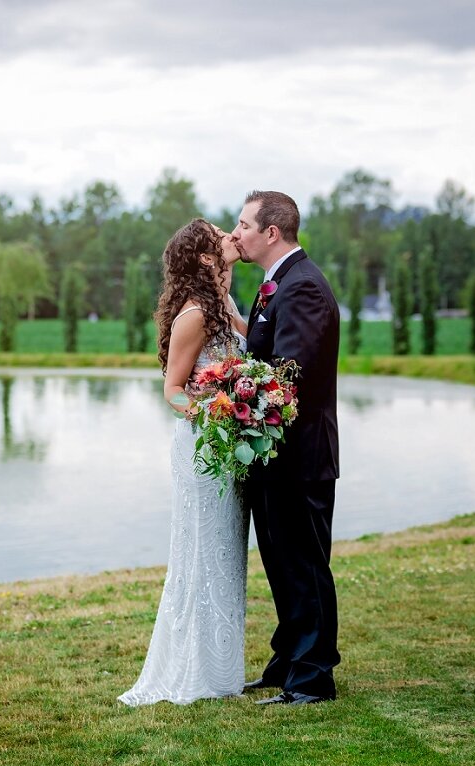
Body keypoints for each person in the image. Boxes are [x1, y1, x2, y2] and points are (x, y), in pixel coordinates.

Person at [118, 218, 250, 706]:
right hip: (202, 448)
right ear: (204, 258)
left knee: (226, 554)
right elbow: (172, 392)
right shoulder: (194, 314)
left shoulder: (226, 305)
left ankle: (220, 670)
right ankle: (194, 673)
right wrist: (214, 411)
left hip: (228, 449)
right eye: (222, 235)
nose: (233, 237)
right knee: (201, 554)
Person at [230, 190, 341, 706]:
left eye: (244, 224)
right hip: (276, 455)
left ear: (271, 232)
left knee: (304, 564)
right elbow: (262, 351)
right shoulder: (276, 286)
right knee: (281, 562)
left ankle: (313, 677)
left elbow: (289, 374)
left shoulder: (303, 289)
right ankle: (288, 660)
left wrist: (237, 391)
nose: (237, 233)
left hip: (300, 455)